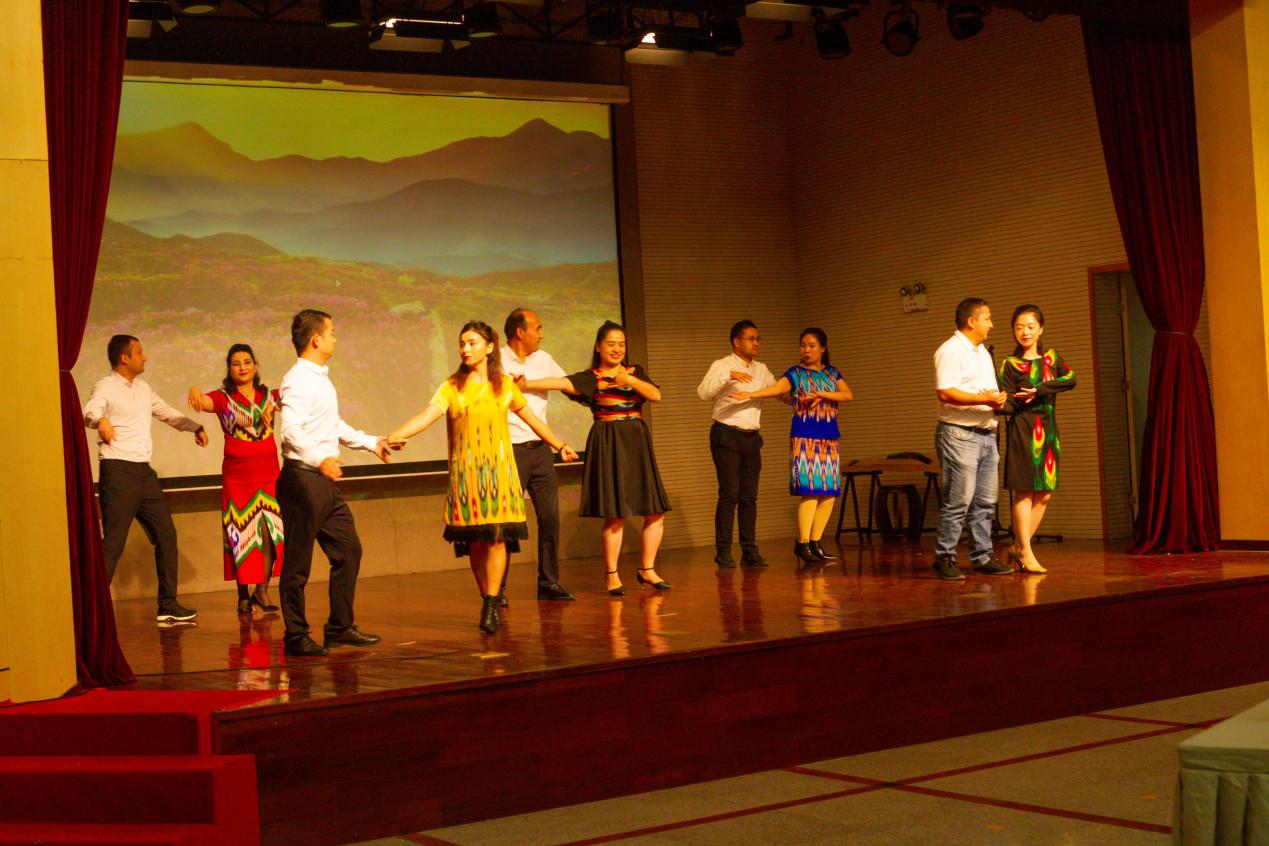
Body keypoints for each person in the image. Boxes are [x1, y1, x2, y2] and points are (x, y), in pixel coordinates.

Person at [388, 321, 578, 634]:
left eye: (472, 342)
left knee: (498, 539)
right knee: (476, 542)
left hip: (499, 472)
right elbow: (427, 415)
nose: (465, 349)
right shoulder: (452, 386)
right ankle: (486, 595)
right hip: (467, 474)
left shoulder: (503, 385)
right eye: (462, 343)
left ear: (489, 347)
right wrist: (397, 434)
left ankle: (491, 603)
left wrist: (560, 445)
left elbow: (532, 420)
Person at [524, 320, 672, 595]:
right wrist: (526, 384)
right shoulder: (591, 377)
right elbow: (560, 383)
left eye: (621, 344)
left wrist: (629, 380)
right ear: (598, 347)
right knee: (615, 514)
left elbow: (656, 395)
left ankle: (647, 569)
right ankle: (612, 575)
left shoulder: (634, 372)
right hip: (609, 441)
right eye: (611, 344)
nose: (617, 349)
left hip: (636, 441)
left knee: (655, 511)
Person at [275, 309, 392, 658]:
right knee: (298, 563)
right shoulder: (298, 379)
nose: (335, 338)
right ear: (316, 339)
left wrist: (371, 443)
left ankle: (340, 626)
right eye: (332, 332)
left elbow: (331, 425)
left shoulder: (320, 380)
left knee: (348, 549)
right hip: (303, 478)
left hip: (322, 479)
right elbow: (290, 430)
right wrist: (319, 459)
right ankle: (296, 635)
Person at [84, 334, 209, 622]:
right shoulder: (105, 386)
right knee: (114, 542)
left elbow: (167, 414)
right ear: (124, 357)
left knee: (167, 535)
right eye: (139, 352)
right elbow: (90, 410)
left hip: (144, 473)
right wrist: (100, 421)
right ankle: (92, 609)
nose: (145, 357)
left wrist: (195, 427)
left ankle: (167, 604)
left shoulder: (143, 388)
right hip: (118, 471)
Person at [732, 328, 852, 565]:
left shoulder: (832, 373)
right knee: (811, 490)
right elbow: (777, 389)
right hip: (805, 436)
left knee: (829, 493)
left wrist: (822, 394)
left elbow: (847, 394)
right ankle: (803, 543)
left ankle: (815, 542)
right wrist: (752, 394)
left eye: (811, 346)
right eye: (803, 345)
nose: (806, 350)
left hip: (829, 436)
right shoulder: (796, 373)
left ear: (822, 349)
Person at [187, 343, 285, 615]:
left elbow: (296, 394)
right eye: (236, 363)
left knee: (270, 533)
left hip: (269, 475)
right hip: (238, 478)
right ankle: (243, 594)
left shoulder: (269, 396)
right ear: (229, 369)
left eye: (247, 362)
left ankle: (262, 589)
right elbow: (205, 402)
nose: (242, 367)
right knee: (239, 534)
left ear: (255, 366)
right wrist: (195, 390)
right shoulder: (224, 397)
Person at [931, 298, 1015, 581]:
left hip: (986, 433)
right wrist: (984, 400)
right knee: (958, 500)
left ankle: (982, 557)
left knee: (985, 501)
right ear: (971, 321)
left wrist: (997, 400)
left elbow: (984, 392)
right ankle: (944, 557)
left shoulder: (981, 353)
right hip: (959, 434)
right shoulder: (950, 350)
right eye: (987, 318)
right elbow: (945, 392)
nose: (992, 324)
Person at [498, 308, 575, 602]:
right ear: (520, 331)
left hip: (540, 449)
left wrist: (529, 384)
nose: (541, 334)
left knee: (550, 518)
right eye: (537, 328)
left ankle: (548, 582)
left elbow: (569, 385)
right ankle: (497, 589)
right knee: (506, 521)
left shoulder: (543, 359)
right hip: (509, 449)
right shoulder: (496, 361)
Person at [998, 304, 1076, 574]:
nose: (1025, 332)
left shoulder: (1052, 359)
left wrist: (1038, 390)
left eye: (1030, 326)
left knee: (1044, 494)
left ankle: (1018, 547)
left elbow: (1071, 379)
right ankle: (1026, 552)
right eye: (1019, 327)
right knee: (1025, 491)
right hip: (1022, 429)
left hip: (1048, 430)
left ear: (1041, 329)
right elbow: (1008, 402)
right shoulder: (1010, 364)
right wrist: (996, 403)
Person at [697, 320, 775, 568]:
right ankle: (723, 551)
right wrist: (727, 376)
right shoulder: (722, 365)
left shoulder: (762, 369)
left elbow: (777, 390)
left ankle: (749, 550)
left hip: (751, 437)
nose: (756, 343)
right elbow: (703, 393)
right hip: (726, 434)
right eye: (751, 339)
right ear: (737, 342)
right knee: (729, 494)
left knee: (749, 497)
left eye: (758, 339)